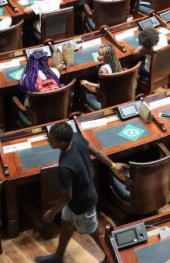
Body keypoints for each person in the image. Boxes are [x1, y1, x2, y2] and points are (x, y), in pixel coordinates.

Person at [36, 122, 127, 263]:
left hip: (82, 204)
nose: (48, 141)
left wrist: (52, 212)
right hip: (81, 196)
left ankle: (113, 258)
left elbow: (67, 196)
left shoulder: (65, 167)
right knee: (66, 223)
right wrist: (113, 165)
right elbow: (97, 152)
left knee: (94, 231)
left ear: (61, 143)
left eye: (50, 139)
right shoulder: (76, 137)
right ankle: (58, 257)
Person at [80, 43, 123, 109]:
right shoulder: (117, 64)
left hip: (106, 100)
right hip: (117, 96)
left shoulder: (103, 70)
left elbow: (101, 86)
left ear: (107, 57)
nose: (97, 56)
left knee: (83, 86)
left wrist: (88, 83)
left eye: (100, 55)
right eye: (98, 53)